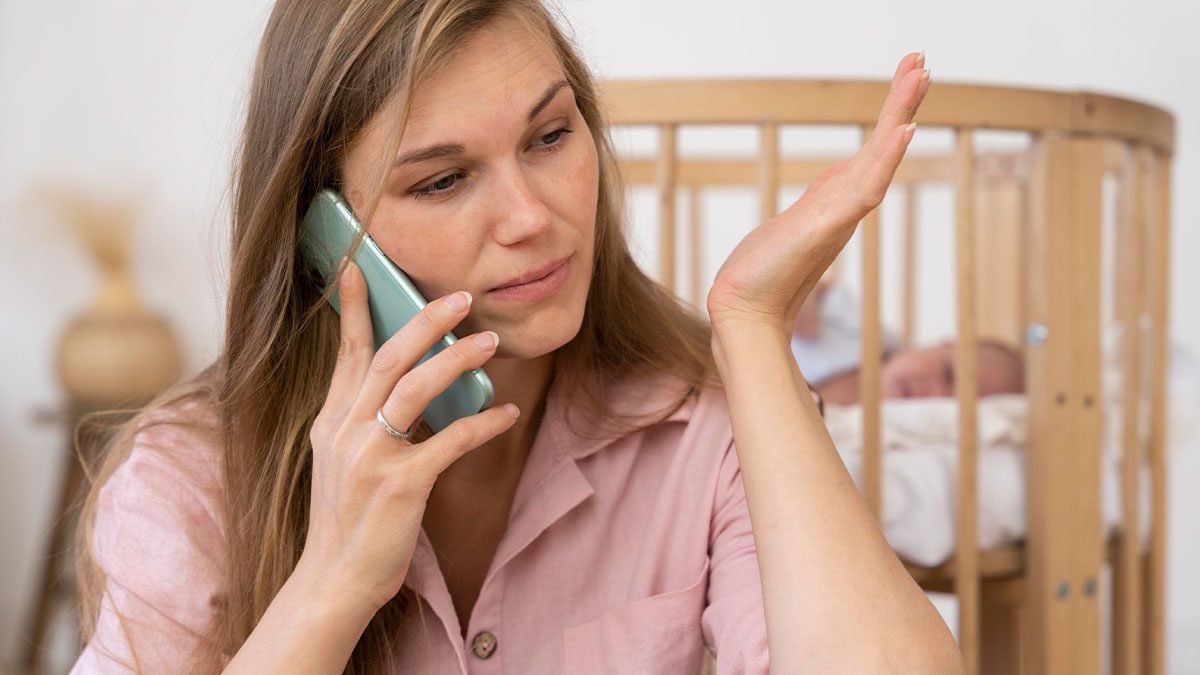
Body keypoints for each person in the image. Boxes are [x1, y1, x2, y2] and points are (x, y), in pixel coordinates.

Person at [69, 1, 961, 673]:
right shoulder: (191, 479)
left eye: (549, 136)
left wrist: (754, 326)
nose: (532, 217)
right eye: (444, 180)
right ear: (325, 236)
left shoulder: (708, 432)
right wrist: (331, 583)